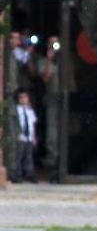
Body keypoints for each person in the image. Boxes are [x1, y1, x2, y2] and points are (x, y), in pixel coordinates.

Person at [37, 37, 61, 177]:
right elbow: (45, 78)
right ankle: (53, 159)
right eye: (51, 43)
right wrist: (49, 60)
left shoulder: (65, 60)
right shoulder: (44, 61)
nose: (54, 46)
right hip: (52, 97)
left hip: (66, 97)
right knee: (52, 130)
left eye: (56, 43)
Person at [11, 89, 38, 184]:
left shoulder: (30, 110)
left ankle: (30, 174)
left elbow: (32, 124)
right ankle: (17, 174)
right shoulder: (16, 110)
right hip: (21, 136)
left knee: (29, 156)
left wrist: (34, 137)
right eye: (21, 97)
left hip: (29, 137)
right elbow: (15, 123)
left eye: (25, 97)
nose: (23, 99)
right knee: (19, 156)